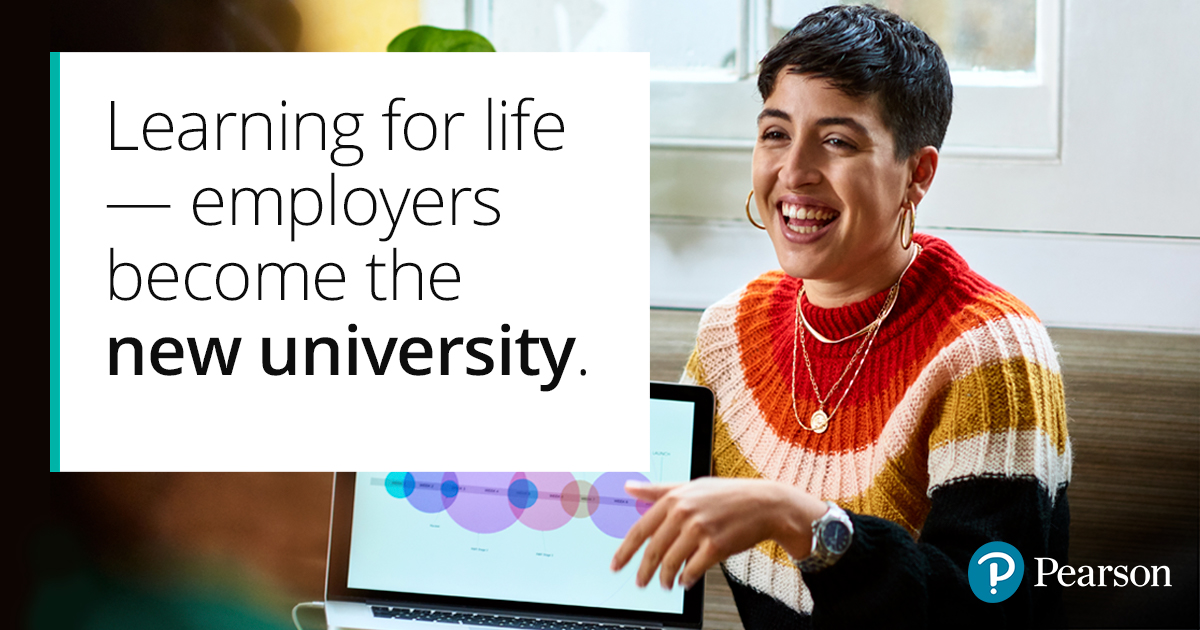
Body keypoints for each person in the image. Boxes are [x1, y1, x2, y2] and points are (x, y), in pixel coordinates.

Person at [612, 5, 1071, 629]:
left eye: (837, 141)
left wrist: (804, 522)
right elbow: (625, 517)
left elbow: (988, 611)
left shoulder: (989, 351)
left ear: (918, 174)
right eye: (775, 133)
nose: (794, 173)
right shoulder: (729, 334)